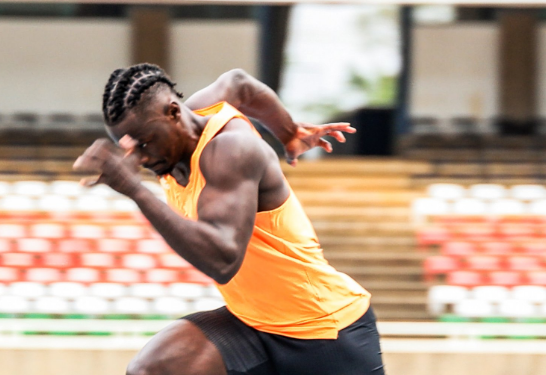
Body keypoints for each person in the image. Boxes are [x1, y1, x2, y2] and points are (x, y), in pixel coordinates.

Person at [74, 63, 385, 375]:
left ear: (173, 113)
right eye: (128, 147)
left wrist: (134, 189)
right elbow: (238, 83)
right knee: (153, 370)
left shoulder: (231, 149)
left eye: (145, 141)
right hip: (252, 324)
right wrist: (288, 132)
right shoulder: (186, 119)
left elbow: (223, 260)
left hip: (325, 332)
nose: (140, 157)